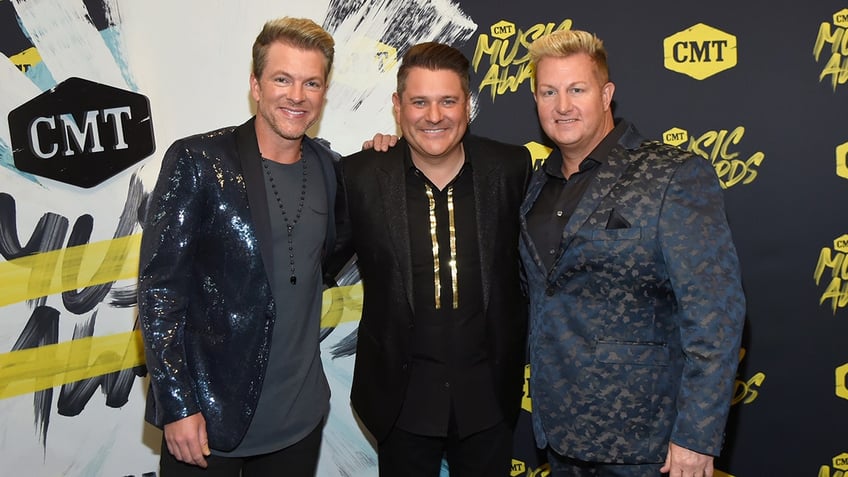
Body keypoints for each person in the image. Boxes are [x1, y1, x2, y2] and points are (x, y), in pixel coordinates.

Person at [519, 29, 745, 477]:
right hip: (561, 438)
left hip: (650, 445)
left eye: (576, 89)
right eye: (549, 92)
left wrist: (695, 437)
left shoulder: (671, 173)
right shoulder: (534, 187)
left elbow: (716, 315)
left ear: (606, 95)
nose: (562, 106)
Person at [138, 17, 337, 476]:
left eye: (311, 83)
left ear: (324, 92)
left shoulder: (331, 168)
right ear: (255, 84)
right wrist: (178, 404)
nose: (296, 95)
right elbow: (159, 292)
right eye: (282, 79)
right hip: (207, 421)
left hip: (299, 422)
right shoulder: (199, 161)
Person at [326, 42, 532, 477]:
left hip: (489, 400)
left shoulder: (512, 168)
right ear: (398, 107)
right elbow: (314, 264)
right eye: (419, 102)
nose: (434, 116)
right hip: (399, 403)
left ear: (468, 105)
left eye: (447, 101)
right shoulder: (361, 176)